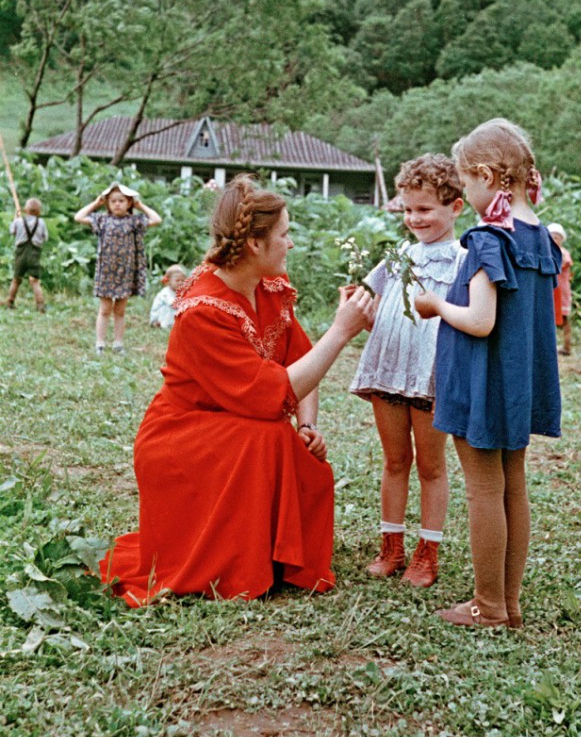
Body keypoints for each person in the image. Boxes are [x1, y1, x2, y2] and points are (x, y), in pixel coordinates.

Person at [99, 174, 375, 605]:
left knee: (293, 450)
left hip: (236, 423)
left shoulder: (269, 288)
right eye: (285, 235)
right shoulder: (203, 312)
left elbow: (298, 366)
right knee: (267, 436)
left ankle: (271, 556)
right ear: (255, 245)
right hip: (182, 435)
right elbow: (272, 397)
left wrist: (307, 425)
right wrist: (340, 333)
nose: (292, 244)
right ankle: (245, 563)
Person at [415, 118, 561, 628]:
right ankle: (509, 602)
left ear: (484, 175)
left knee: (483, 490)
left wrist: (435, 304)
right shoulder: (541, 236)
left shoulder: (487, 239)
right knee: (512, 486)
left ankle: (489, 605)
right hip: (519, 384)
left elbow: (480, 320)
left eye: (465, 182)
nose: (466, 193)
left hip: (483, 382)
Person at [350, 154, 464, 587]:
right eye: (408, 210)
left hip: (431, 373)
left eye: (425, 209)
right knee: (395, 460)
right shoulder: (398, 255)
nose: (414, 219)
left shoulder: (462, 259)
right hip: (388, 368)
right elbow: (367, 296)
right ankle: (391, 546)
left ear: (454, 207)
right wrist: (356, 302)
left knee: (431, 466)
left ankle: (427, 552)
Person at [74, 182, 161, 355]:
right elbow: (78, 217)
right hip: (106, 272)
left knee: (120, 311)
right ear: (107, 204)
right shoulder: (102, 220)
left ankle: (118, 343)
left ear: (129, 203)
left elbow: (157, 220)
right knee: (105, 309)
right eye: (113, 201)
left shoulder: (134, 221)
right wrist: (96, 203)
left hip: (126, 272)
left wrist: (140, 205)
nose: (117, 204)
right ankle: (100, 343)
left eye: (122, 200)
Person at [5, 197, 48, 312]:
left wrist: (16, 218)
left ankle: (10, 301)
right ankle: (40, 304)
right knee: (34, 280)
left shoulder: (19, 221)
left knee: (16, 279)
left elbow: (12, 231)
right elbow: (45, 238)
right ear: (39, 211)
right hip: (34, 253)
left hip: (21, 253)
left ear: (25, 209)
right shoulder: (41, 222)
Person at [548, 223, 573, 355]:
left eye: (557, 237)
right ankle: (552, 345)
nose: (554, 240)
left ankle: (566, 346)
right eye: (551, 237)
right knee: (550, 317)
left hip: (561, 291)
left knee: (564, 319)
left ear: (561, 239)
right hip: (552, 290)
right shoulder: (548, 252)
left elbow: (565, 263)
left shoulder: (562, 253)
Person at [149, 264, 187, 329]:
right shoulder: (165, 293)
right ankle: (161, 324)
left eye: (182, 280)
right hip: (158, 316)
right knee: (170, 309)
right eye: (177, 280)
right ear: (169, 281)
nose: (180, 283)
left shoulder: (181, 292)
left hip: (171, 311)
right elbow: (173, 304)